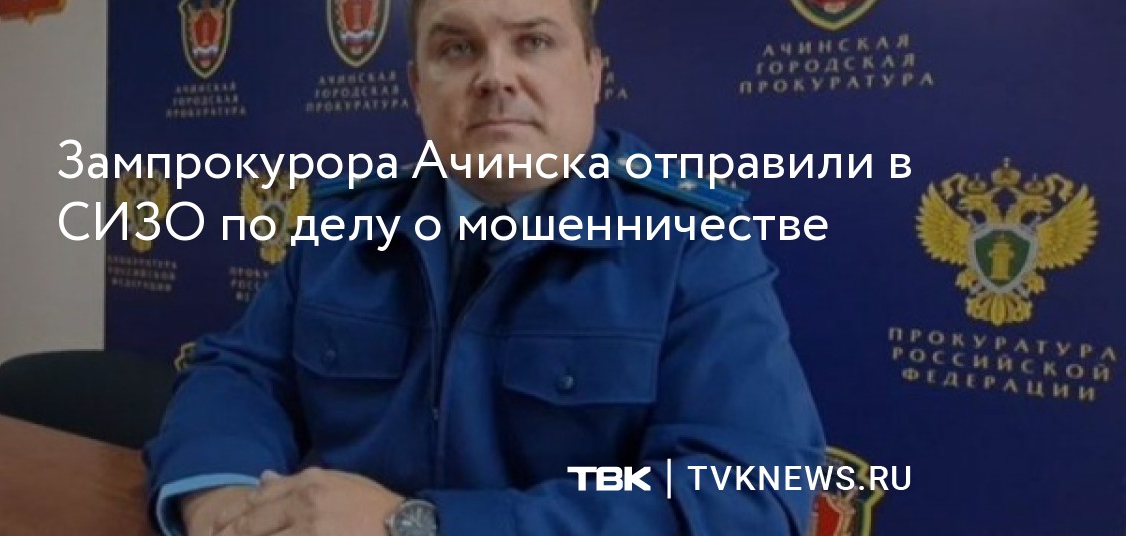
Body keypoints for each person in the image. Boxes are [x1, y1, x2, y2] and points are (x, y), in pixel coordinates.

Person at [143, 0, 826, 534]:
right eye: (457, 48)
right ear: (417, 86)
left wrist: (416, 526)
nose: (495, 76)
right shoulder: (345, 227)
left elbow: (747, 496)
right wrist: (217, 496)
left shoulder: (691, 244)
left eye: (533, 42)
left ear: (593, 74)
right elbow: (238, 374)